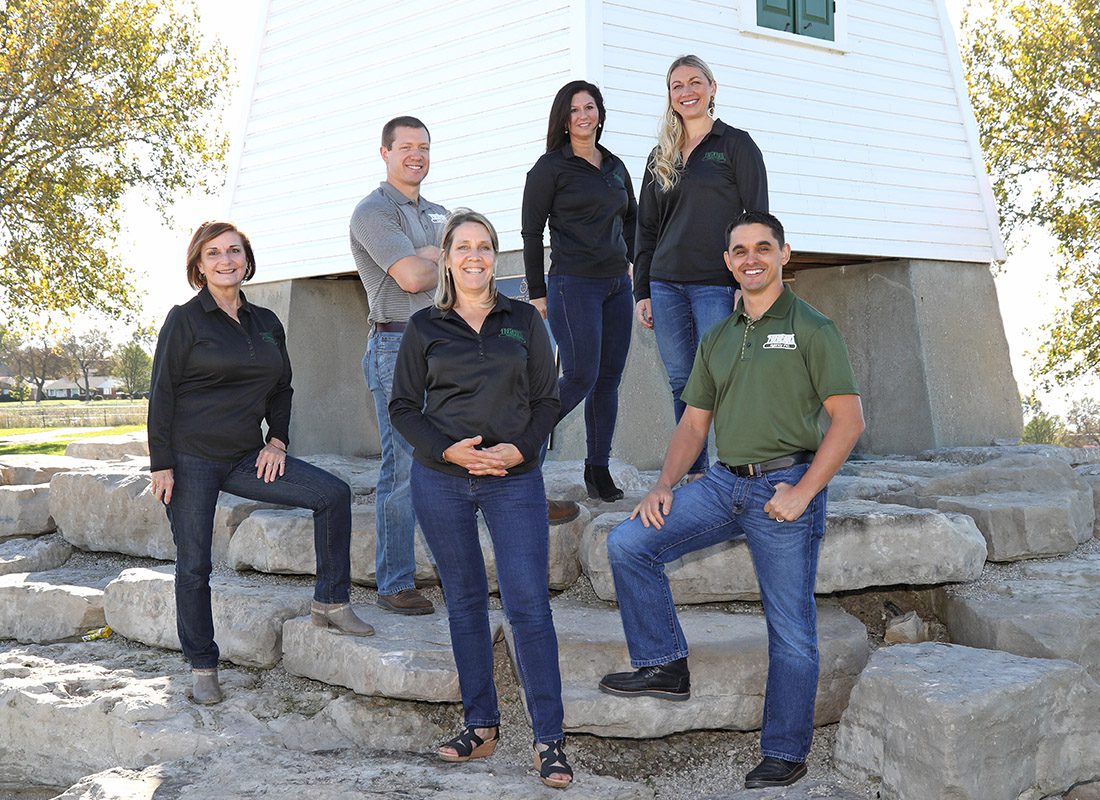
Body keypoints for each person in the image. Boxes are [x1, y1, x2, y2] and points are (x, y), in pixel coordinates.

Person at [599, 212, 864, 789]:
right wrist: (665, 483)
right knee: (628, 543)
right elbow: (694, 426)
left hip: (784, 487)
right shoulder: (718, 335)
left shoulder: (813, 328)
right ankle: (664, 663)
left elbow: (848, 421)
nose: (751, 258)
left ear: (783, 255)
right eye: (740, 250)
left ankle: (786, 751)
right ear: (727, 262)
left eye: (762, 248)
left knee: (791, 629)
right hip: (722, 484)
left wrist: (804, 492)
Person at [148, 221, 374, 706]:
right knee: (194, 566)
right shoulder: (184, 320)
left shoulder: (267, 322)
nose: (225, 260)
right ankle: (203, 665)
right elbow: (161, 393)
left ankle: (330, 601)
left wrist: (278, 442)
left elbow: (281, 389)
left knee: (331, 494)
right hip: (190, 460)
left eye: (234, 251)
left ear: (246, 261)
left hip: (246, 455)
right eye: (214, 253)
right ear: (199, 265)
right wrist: (161, 464)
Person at [389, 210, 573, 790]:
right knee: (465, 602)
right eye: (463, 246)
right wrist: (451, 453)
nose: (475, 256)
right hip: (442, 479)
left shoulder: (524, 321)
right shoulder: (425, 327)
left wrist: (519, 451)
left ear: (497, 257)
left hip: (513, 478)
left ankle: (549, 740)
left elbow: (548, 399)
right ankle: (481, 725)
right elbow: (402, 410)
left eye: (485, 247)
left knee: (528, 606)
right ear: (446, 256)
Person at [633, 54, 769, 478]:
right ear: (670, 96)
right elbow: (646, 228)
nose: (687, 91)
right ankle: (694, 472)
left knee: (723, 378)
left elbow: (757, 219)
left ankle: (735, 469)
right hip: (666, 283)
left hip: (716, 283)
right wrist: (642, 291)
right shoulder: (661, 155)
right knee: (682, 382)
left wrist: (749, 285)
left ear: (712, 88)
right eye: (677, 85)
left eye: (695, 82)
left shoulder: (735, 144)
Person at [521, 80, 637, 503]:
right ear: (564, 120)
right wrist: (537, 292)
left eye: (590, 107)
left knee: (608, 380)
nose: (584, 115)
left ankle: (598, 468)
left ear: (600, 114)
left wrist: (629, 261)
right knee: (581, 375)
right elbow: (531, 233)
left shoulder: (615, 166)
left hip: (615, 288)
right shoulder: (550, 168)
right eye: (574, 110)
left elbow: (633, 219)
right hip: (573, 284)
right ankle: (523, 449)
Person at [349, 115, 446, 616]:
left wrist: (434, 256)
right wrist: (434, 257)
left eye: (424, 147)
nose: (417, 155)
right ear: (384, 152)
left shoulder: (439, 211)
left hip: (446, 344)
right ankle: (393, 582)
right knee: (404, 465)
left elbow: (467, 270)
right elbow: (411, 278)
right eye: (406, 146)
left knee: (454, 456)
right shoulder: (372, 213)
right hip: (396, 346)